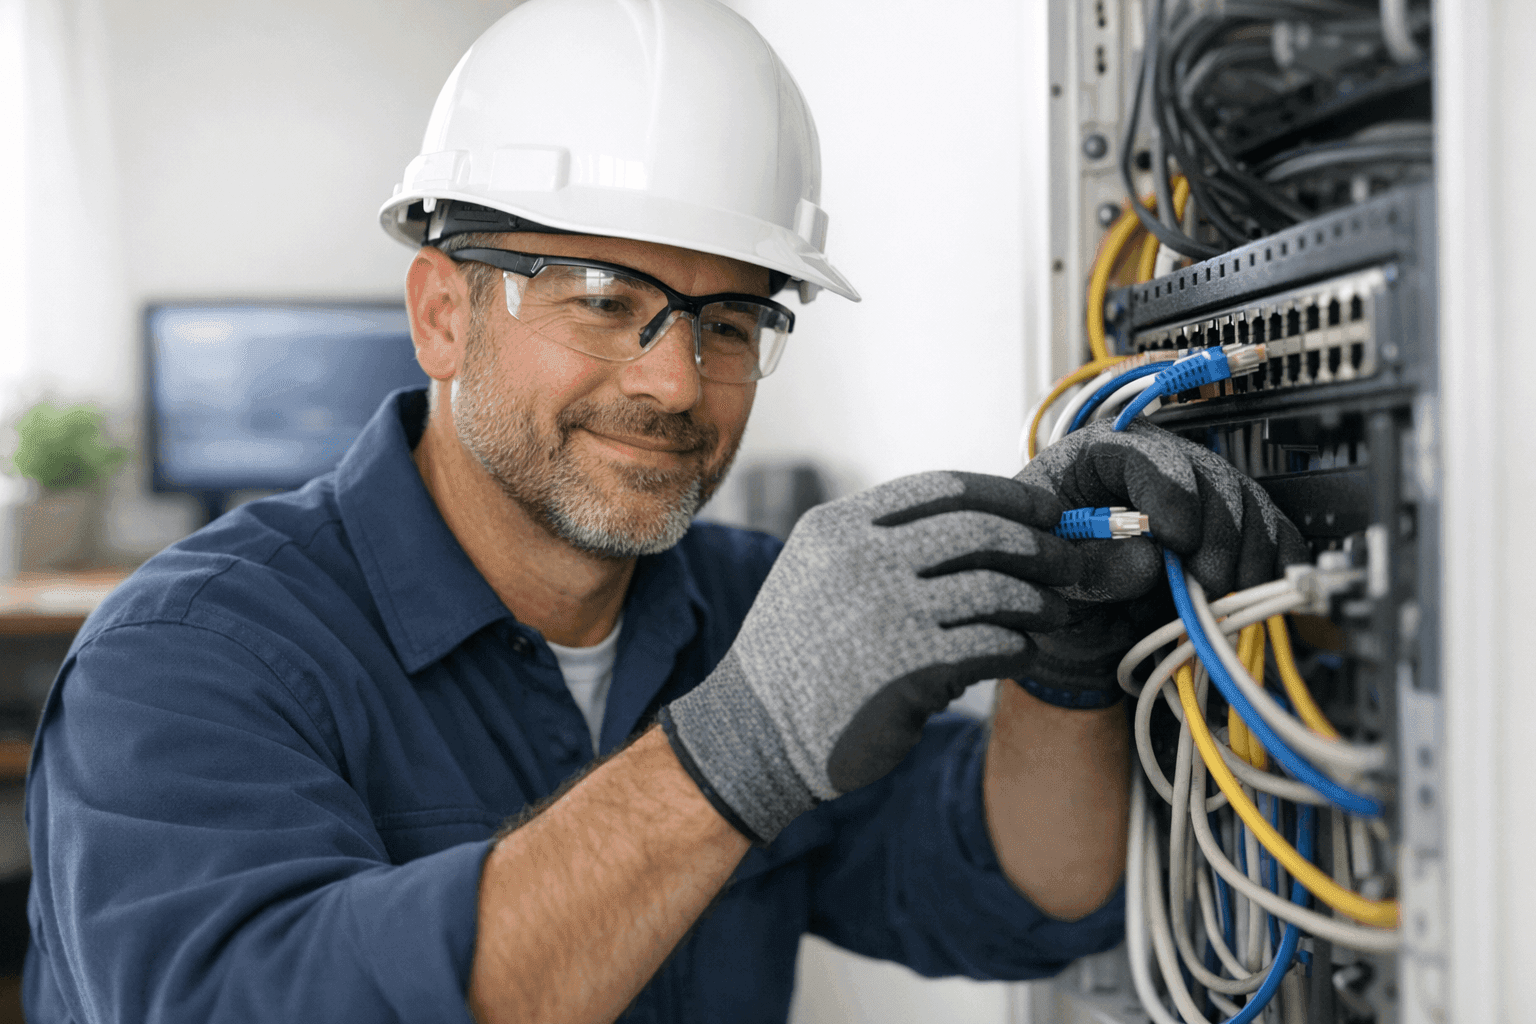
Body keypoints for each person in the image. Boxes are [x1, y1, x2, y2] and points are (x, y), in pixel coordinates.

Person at [24, 2, 1306, 1022]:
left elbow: (1015, 891)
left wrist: (1067, 661)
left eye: (733, 319)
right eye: (597, 294)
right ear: (440, 313)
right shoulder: (190, 656)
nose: (675, 380)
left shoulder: (751, 605)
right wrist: (733, 752)